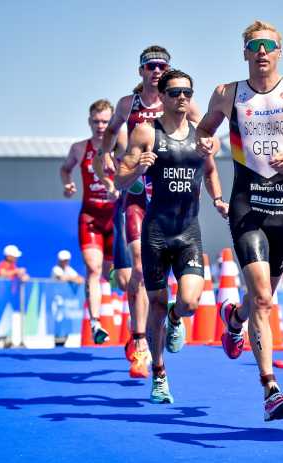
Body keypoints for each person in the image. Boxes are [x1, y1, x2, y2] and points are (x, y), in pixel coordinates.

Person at [196, 20, 283, 421]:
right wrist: (206, 141)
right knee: (263, 298)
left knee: (262, 299)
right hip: (246, 203)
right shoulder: (226, 94)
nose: (261, 52)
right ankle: (270, 388)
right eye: (254, 45)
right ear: (245, 52)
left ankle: (232, 318)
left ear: (279, 52)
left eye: (269, 46)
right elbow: (203, 132)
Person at [116, 69, 226, 401]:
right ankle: (159, 373)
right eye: (175, 93)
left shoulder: (201, 137)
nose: (182, 98)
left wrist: (219, 199)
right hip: (155, 234)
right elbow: (121, 180)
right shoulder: (145, 133)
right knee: (158, 304)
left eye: (187, 93)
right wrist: (137, 168)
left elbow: (210, 171)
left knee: (189, 302)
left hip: (188, 231)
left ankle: (178, 319)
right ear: (162, 97)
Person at [94, 45, 202, 369]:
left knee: (156, 279)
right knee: (138, 268)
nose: (156, 71)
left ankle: (173, 318)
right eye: (150, 66)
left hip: (174, 199)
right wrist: (110, 165)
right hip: (140, 196)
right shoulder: (129, 105)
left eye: (161, 66)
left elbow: (207, 133)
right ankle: (139, 339)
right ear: (141, 71)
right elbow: (109, 136)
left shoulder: (182, 101)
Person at [60, 99, 117, 344]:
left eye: (105, 121)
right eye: (96, 121)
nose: (100, 126)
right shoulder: (79, 148)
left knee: (114, 275)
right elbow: (65, 169)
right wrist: (68, 183)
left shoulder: (121, 147)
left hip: (116, 220)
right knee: (93, 270)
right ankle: (95, 323)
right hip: (91, 217)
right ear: (89, 122)